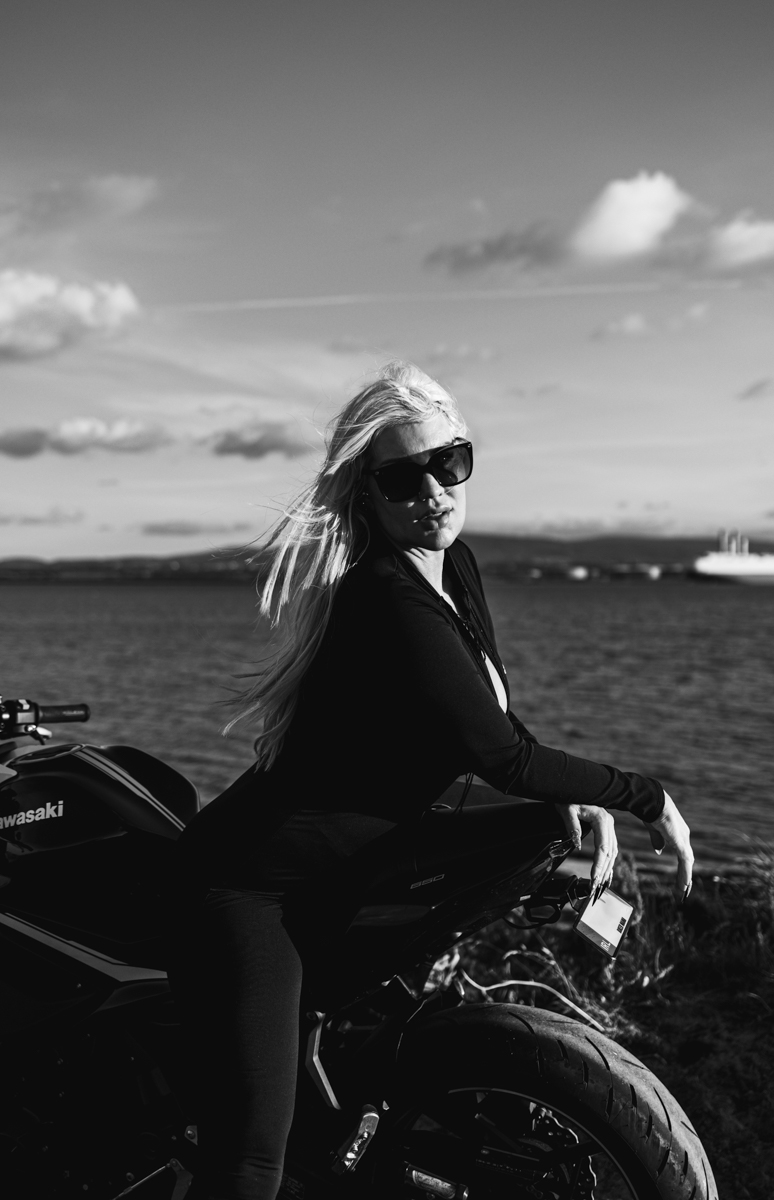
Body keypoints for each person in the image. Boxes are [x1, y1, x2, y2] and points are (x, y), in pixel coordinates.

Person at [169, 361, 694, 1200]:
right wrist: (640, 794)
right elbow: (503, 758)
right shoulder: (387, 598)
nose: (433, 493)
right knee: (250, 1161)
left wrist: (572, 795)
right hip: (251, 890)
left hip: (333, 876)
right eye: (403, 478)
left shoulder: (454, 566)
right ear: (370, 497)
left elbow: (491, 732)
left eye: (448, 464)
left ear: (466, 459)